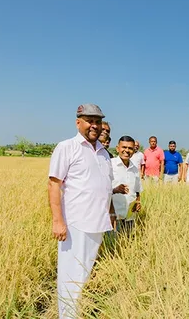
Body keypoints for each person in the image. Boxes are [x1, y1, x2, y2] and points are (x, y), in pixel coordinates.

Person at [47, 104, 116, 319]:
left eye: (97, 121)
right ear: (78, 122)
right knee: (70, 276)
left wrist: (111, 214)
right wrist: (58, 221)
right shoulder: (67, 147)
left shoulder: (104, 154)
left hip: (98, 224)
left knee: (84, 274)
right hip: (75, 224)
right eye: (89, 121)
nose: (94, 126)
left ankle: (78, 313)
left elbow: (106, 188)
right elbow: (54, 184)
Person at [111, 136, 142, 234]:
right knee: (113, 245)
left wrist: (137, 203)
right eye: (124, 147)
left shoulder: (135, 169)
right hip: (113, 216)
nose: (127, 150)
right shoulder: (109, 165)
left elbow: (137, 191)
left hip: (129, 217)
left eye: (130, 148)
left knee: (127, 243)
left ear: (134, 150)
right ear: (117, 148)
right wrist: (115, 189)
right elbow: (101, 189)